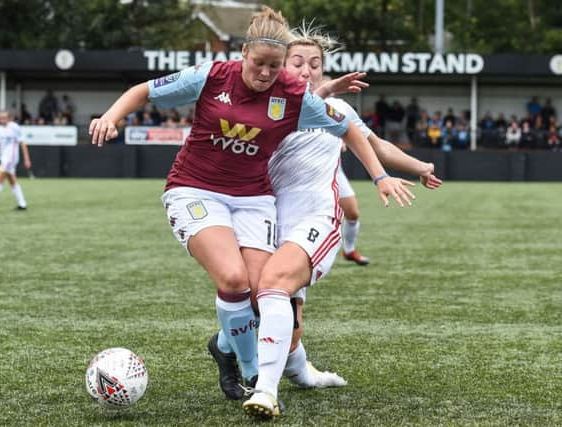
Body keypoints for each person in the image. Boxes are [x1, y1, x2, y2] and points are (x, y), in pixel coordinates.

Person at [89, 4, 411, 404]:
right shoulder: (211, 76)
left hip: (254, 199)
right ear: (243, 53)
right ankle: (255, 374)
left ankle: (228, 350)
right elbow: (144, 91)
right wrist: (111, 116)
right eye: (259, 63)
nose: (265, 74)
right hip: (195, 190)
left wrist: (379, 176)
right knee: (233, 280)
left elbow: (348, 128)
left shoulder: (293, 95)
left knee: (265, 293)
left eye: (275, 67)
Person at [242, 25, 442, 419]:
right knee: (271, 307)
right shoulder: (271, 105)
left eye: (314, 64)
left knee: (273, 288)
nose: (306, 70)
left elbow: (373, 144)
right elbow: (302, 104)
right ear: (282, 66)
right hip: (265, 217)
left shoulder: (338, 110)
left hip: (317, 218)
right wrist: (327, 90)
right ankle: (302, 372)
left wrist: (420, 166)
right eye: (297, 62)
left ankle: (265, 389)